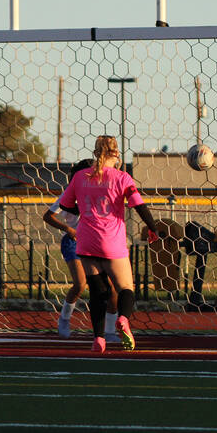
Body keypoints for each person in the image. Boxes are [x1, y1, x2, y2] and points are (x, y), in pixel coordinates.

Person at [57, 135, 164, 353]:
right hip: (111, 241)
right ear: (115, 154)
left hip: (86, 241)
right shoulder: (122, 178)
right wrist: (153, 228)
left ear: (96, 153)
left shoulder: (79, 177)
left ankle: (98, 339)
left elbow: (67, 205)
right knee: (126, 288)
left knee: (97, 292)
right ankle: (123, 319)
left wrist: (88, 210)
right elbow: (139, 205)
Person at [43, 158, 120, 341]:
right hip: (74, 242)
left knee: (113, 288)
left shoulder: (102, 191)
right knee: (80, 284)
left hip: (98, 240)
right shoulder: (69, 194)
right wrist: (68, 229)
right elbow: (48, 216)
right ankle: (64, 319)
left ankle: (109, 331)